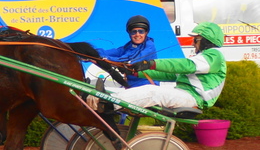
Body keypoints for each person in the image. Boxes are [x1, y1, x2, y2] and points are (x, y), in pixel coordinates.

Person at [89, 21, 227, 111]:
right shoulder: (203, 58)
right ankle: (103, 98)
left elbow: (186, 65)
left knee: (152, 91)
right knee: (139, 90)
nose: (193, 43)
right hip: (184, 94)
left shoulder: (214, 55)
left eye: (195, 40)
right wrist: (136, 73)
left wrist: (151, 64)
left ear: (206, 41)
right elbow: (170, 75)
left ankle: (107, 104)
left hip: (193, 98)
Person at [96, 15, 159, 88]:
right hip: (131, 85)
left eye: (141, 31)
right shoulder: (130, 45)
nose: (137, 35)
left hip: (146, 86)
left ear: (146, 32)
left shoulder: (149, 46)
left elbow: (128, 59)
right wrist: (92, 52)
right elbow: (117, 52)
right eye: (134, 32)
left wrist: (103, 58)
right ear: (129, 33)